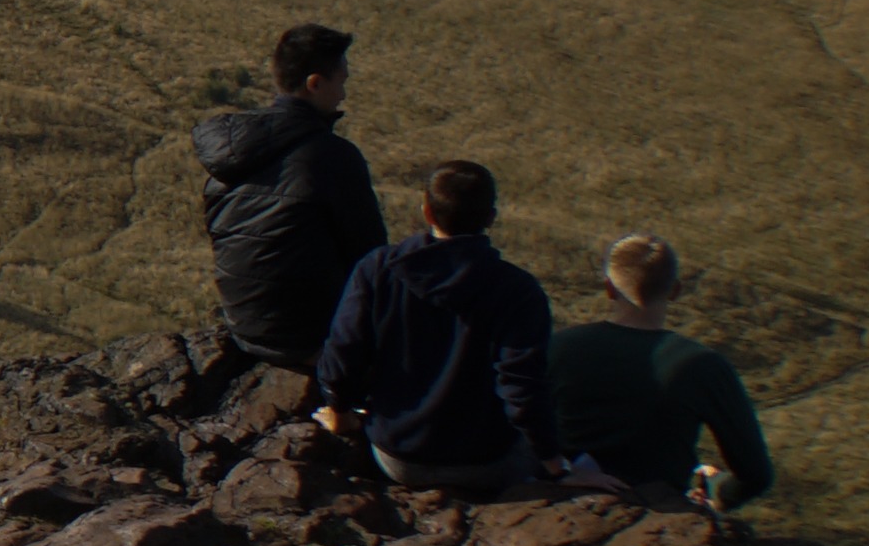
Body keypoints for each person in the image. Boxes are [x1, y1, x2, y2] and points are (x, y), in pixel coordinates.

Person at [312, 160, 604, 497]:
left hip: (397, 457)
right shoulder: (519, 291)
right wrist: (558, 469)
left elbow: (343, 351)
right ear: (491, 217)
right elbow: (522, 389)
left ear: (427, 211)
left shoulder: (379, 268)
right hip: (487, 464)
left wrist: (340, 412)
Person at [195, 24, 384, 378]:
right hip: (304, 337)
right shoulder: (333, 157)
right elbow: (369, 258)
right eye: (341, 80)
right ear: (315, 84)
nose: (344, 93)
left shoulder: (233, 148)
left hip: (243, 323)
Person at [547, 233, 775, 511]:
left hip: (568, 493)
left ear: (609, 288)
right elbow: (756, 475)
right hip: (660, 506)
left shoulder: (559, 347)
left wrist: (557, 472)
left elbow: (515, 424)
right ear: (676, 290)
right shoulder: (704, 365)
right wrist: (719, 494)